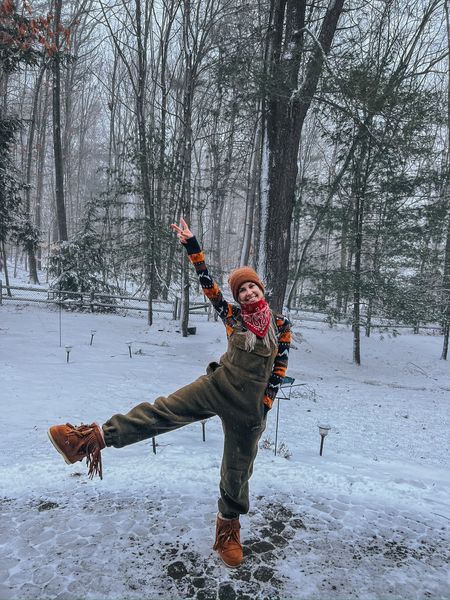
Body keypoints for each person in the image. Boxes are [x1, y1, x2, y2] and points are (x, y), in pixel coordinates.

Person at [48, 218, 291, 568]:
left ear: (261, 289)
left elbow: (279, 368)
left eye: (252, 288)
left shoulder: (281, 325)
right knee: (162, 411)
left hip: (249, 408)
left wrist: (264, 406)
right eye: (242, 291)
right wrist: (192, 247)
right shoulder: (232, 316)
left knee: (237, 473)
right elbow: (207, 285)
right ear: (237, 297)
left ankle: (228, 530)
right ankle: (88, 440)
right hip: (217, 386)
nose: (248, 293)